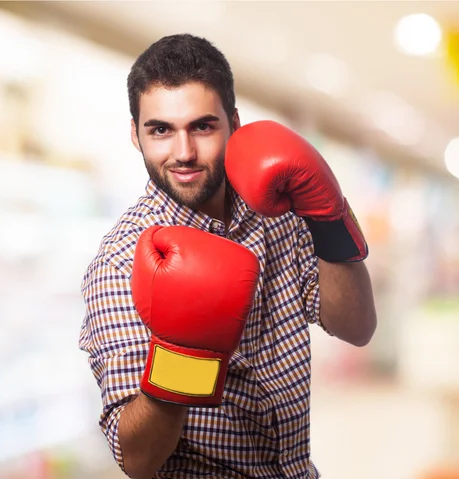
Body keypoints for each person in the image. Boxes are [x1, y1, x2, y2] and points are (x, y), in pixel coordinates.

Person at [79, 33, 377, 479]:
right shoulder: (121, 259)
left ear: (234, 123)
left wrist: (327, 218)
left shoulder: (279, 213)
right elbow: (138, 461)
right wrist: (184, 353)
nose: (183, 153)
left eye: (202, 126)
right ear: (136, 136)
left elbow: (358, 327)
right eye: (160, 129)